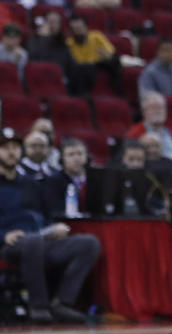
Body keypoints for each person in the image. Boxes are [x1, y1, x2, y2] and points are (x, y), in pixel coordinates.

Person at [0, 127, 100, 324]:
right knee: (32, 241)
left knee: (89, 243)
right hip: (9, 244)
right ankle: (39, 306)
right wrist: (3, 235)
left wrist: (53, 228)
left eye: (15, 147)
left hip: (39, 238)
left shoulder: (31, 183)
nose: (12, 152)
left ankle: (63, 302)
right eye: (5, 148)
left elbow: (43, 215)